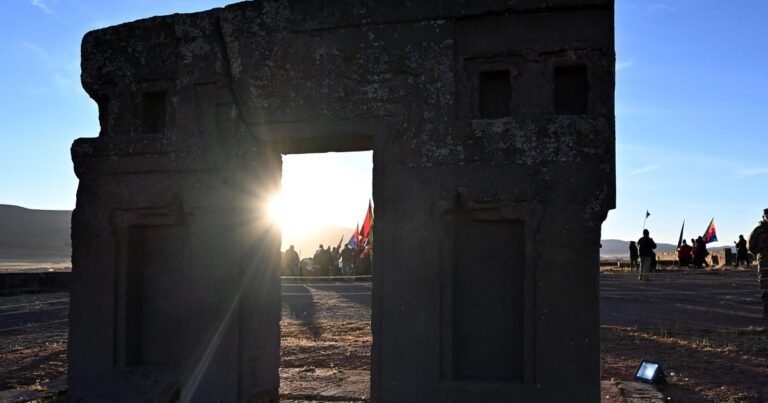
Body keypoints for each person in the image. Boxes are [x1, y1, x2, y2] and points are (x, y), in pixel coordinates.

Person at [748, 208, 768, 319]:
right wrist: (760, 255)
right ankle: (767, 312)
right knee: (766, 286)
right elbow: (750, 246)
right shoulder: (758, 230)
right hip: (765, 262)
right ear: (764, 216)